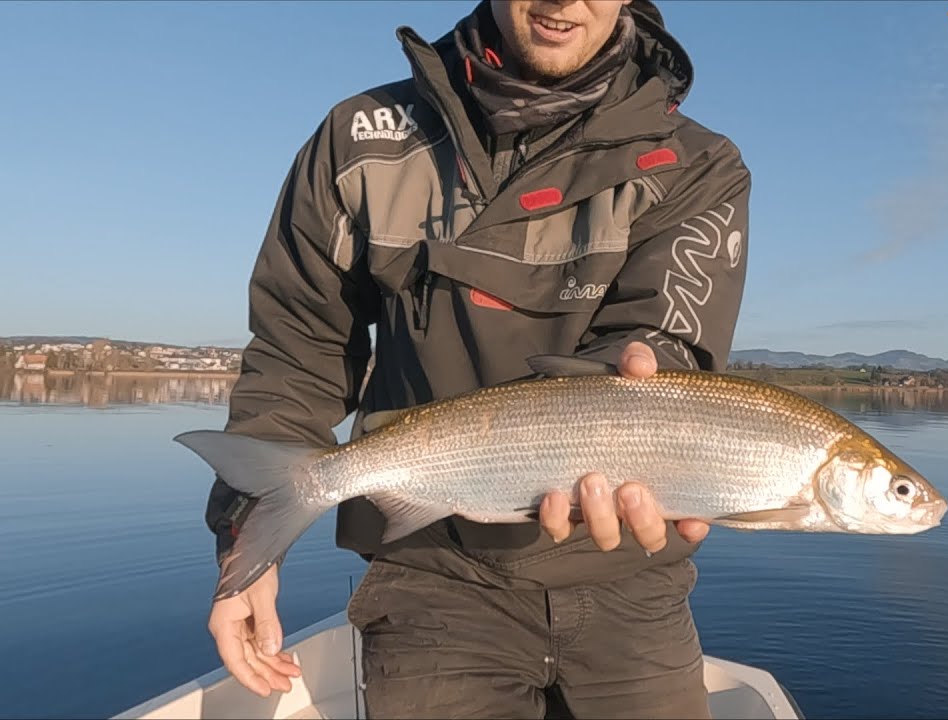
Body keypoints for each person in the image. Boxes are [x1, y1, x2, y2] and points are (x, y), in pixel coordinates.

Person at [202, 0, 751, 717]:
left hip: (629, 578)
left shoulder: (698, 164)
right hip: (427, 573)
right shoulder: (362, 140)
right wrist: (248, 540)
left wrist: (646, 364)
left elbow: (667, 336)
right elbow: (297, 344)